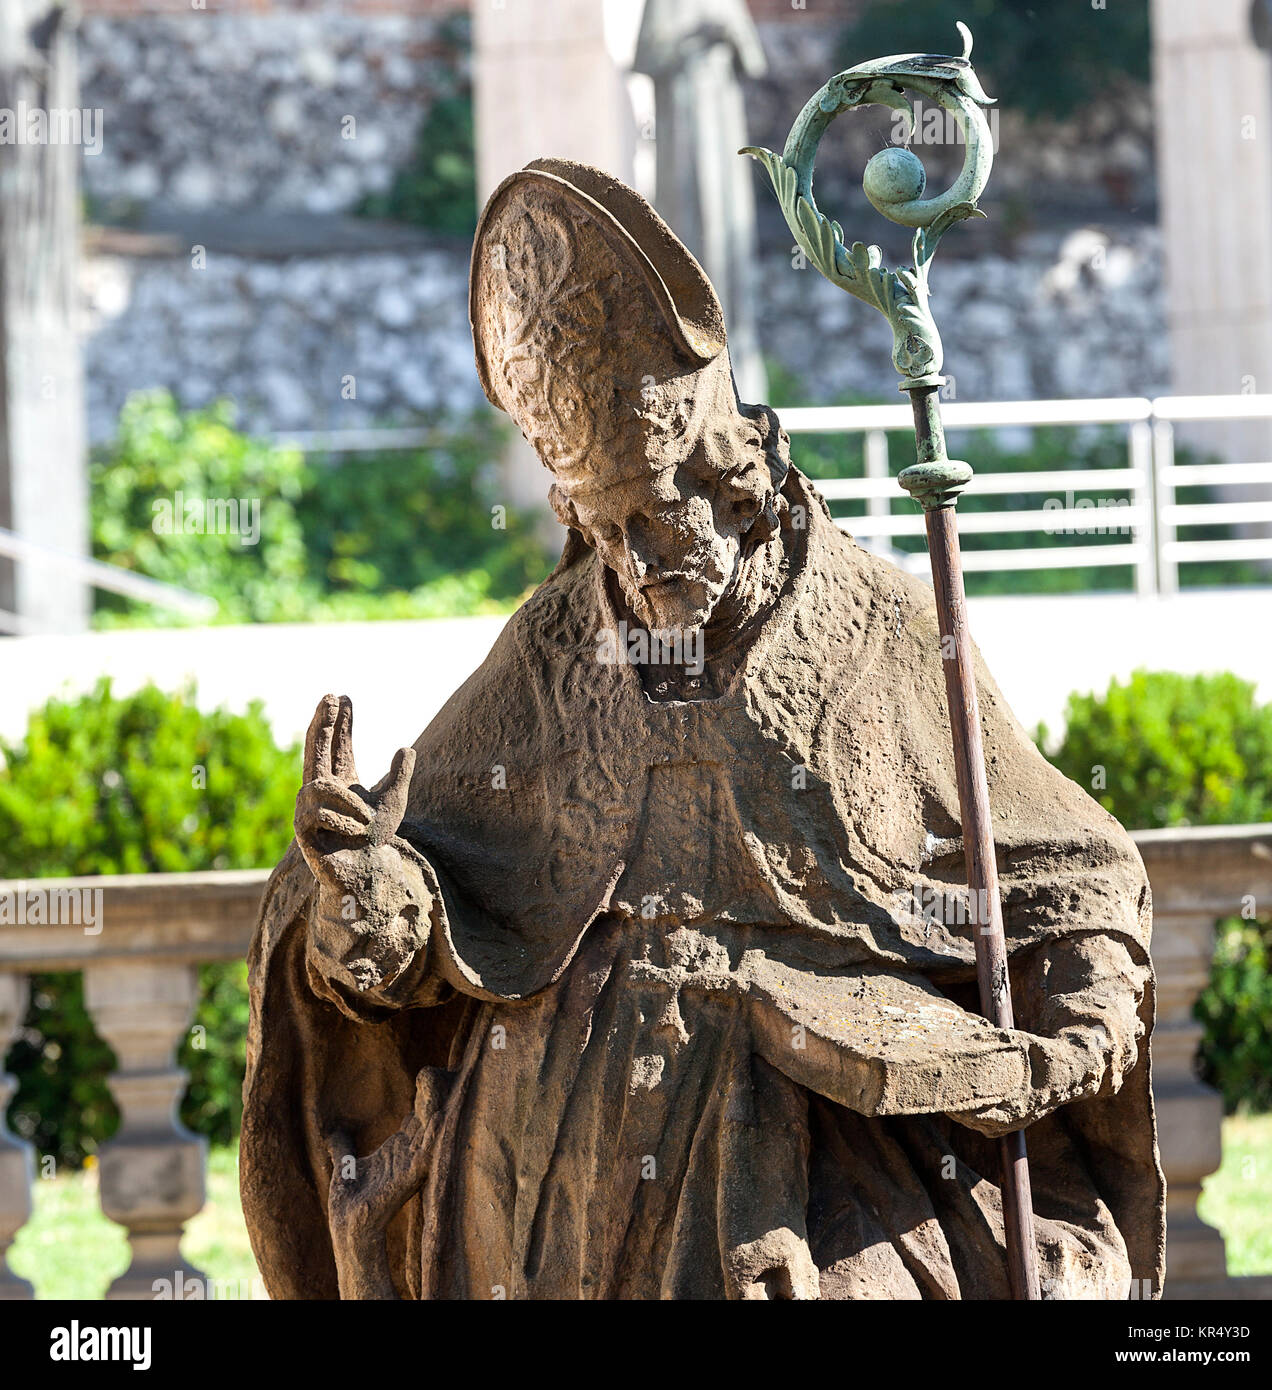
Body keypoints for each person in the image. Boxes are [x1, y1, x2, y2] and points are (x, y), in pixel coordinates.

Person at [240, 160, 1163, 1300]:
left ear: (731, 485)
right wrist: (366, 897)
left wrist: (1077, 1020)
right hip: (553, 1162)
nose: (626, 559)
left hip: (836, 1132)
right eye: (598, 526)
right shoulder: (556, 643)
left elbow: (1066, 868)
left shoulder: (876, 628)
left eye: (653, 522)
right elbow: (444, 901)